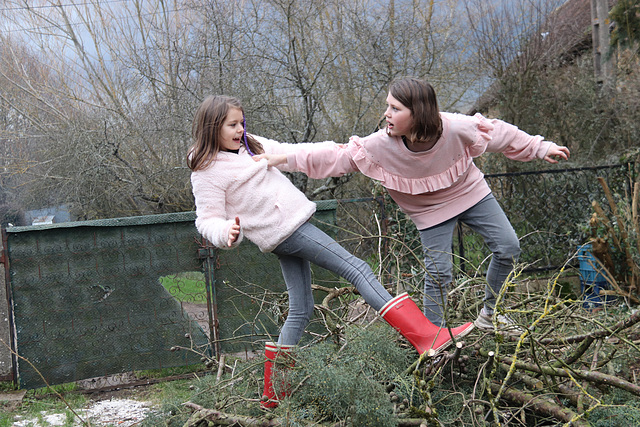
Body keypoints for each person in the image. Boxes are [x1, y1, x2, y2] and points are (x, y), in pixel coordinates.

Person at [187, 95, 475, 409]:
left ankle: (273, 394)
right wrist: (226, 231)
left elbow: (291, 150)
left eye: (242, 122)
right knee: (358, 269)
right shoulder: (206, 170)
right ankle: (425, 337)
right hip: (289, 230)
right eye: (232, 124)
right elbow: (207, 220)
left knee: (301, 309)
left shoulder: (249, 143)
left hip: (287, 230)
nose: (240, 128)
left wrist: (341, 150)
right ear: (212, 127)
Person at [253, 77, 570, 335]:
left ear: (417, 112)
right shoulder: (380, 145)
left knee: (509, 247)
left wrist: (541, 147)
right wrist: (283, 158)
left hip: (470, 192)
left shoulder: (455, 127)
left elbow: (499, 133)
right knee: (438, 272)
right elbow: (336, 155)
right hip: (429, 211)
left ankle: (493, 314)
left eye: (394, 108)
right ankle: (436, 337)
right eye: (387, 106)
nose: (387, 114)